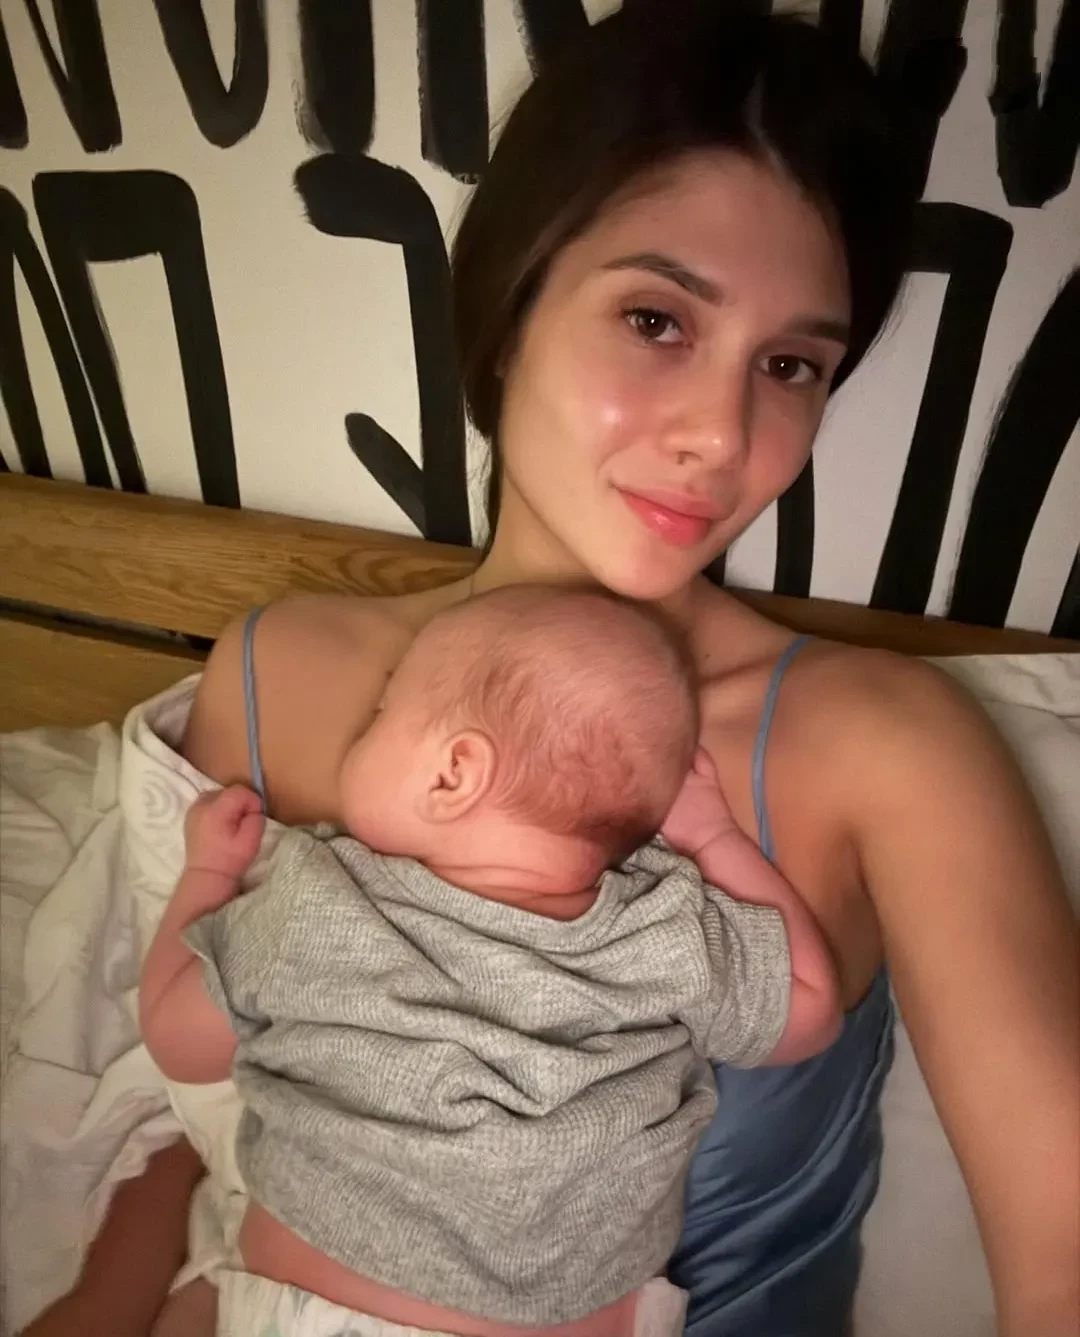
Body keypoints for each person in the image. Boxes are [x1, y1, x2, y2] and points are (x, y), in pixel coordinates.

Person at [23, 4, 1078, 1336]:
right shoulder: (276, 664)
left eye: (791, 364)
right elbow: (204, 1115)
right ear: (512, 305)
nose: (722, 436)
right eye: (656, 318)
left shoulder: (886, 742)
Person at [140, 584, 841, 1337]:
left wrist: (206, 872)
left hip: (310, 1311)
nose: (358, 737)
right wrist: (714, 838)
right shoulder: (663, 927)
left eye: (380, 718)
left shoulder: (323, 899)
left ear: (452, 774)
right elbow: (809, 1010)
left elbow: (177, 1041)